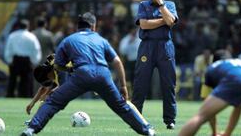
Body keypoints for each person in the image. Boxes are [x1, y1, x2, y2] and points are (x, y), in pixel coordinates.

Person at [21, 12, 155, 136]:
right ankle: (148, 131)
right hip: (103, 75)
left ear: (77, 26)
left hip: (81, 75)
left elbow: (58, 65)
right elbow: (117, 62)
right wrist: (123, 87)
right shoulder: (101, 40)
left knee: (52, 102)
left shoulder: (68, 40)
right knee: (122, 106)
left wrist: (69, 70)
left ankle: (31, 129)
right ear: (93, 26)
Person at [131, 0, 178, 129]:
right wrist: (163, 20)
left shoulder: (170, 5)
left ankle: (170, 120)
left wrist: (161, 5)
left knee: (168, 84)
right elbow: (144, 25)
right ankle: (136, 119)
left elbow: (171, 22)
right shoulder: (143, 5)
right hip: (147, 46)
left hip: (165, 46)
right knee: (140, 83)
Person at [4, 19, 42, 98]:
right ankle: (25, 96)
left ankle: (10, 95)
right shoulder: (31, 36)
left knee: (12, 80)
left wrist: (9, 60)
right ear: (28, 26)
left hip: (15, 59)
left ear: (18, 26)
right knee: (27, 81)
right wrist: (35, 61)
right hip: (27, 60)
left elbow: (8, 49)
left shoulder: (12, 35)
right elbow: (36, 49)